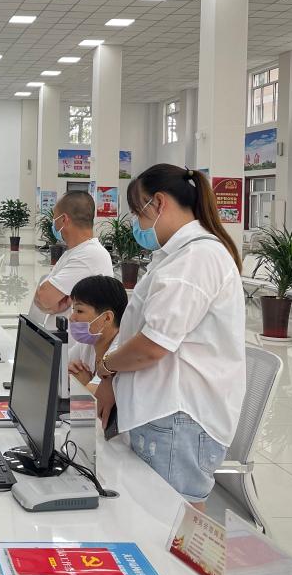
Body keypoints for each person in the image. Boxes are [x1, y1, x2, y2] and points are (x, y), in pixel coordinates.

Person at [92, 164, 245, 509]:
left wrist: (106, 367)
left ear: (158, 203)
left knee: (173, 525)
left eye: (138, 212)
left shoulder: (196, 258)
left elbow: (151, 347)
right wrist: (112, 380)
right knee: (154, 519)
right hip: (162, 409)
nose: (137, 224)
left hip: (178, 415)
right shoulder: (180, 255)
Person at [28, 190, 114, 329]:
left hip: (73, 341)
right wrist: (49, 300)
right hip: (58, 337)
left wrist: (49, 300)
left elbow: (44, 296)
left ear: (64, 219)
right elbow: (40, 299)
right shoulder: (73, 252)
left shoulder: (90, 255)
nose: (53, 224)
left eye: (54, 218)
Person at [66, 275, 129, 397]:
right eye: (73, 310)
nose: (72, 318)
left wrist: (81, 384)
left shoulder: (119, 351)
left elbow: (87, 405)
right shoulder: (90, 341)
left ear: (107, 318)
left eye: (79, 311)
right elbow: (55, 370)